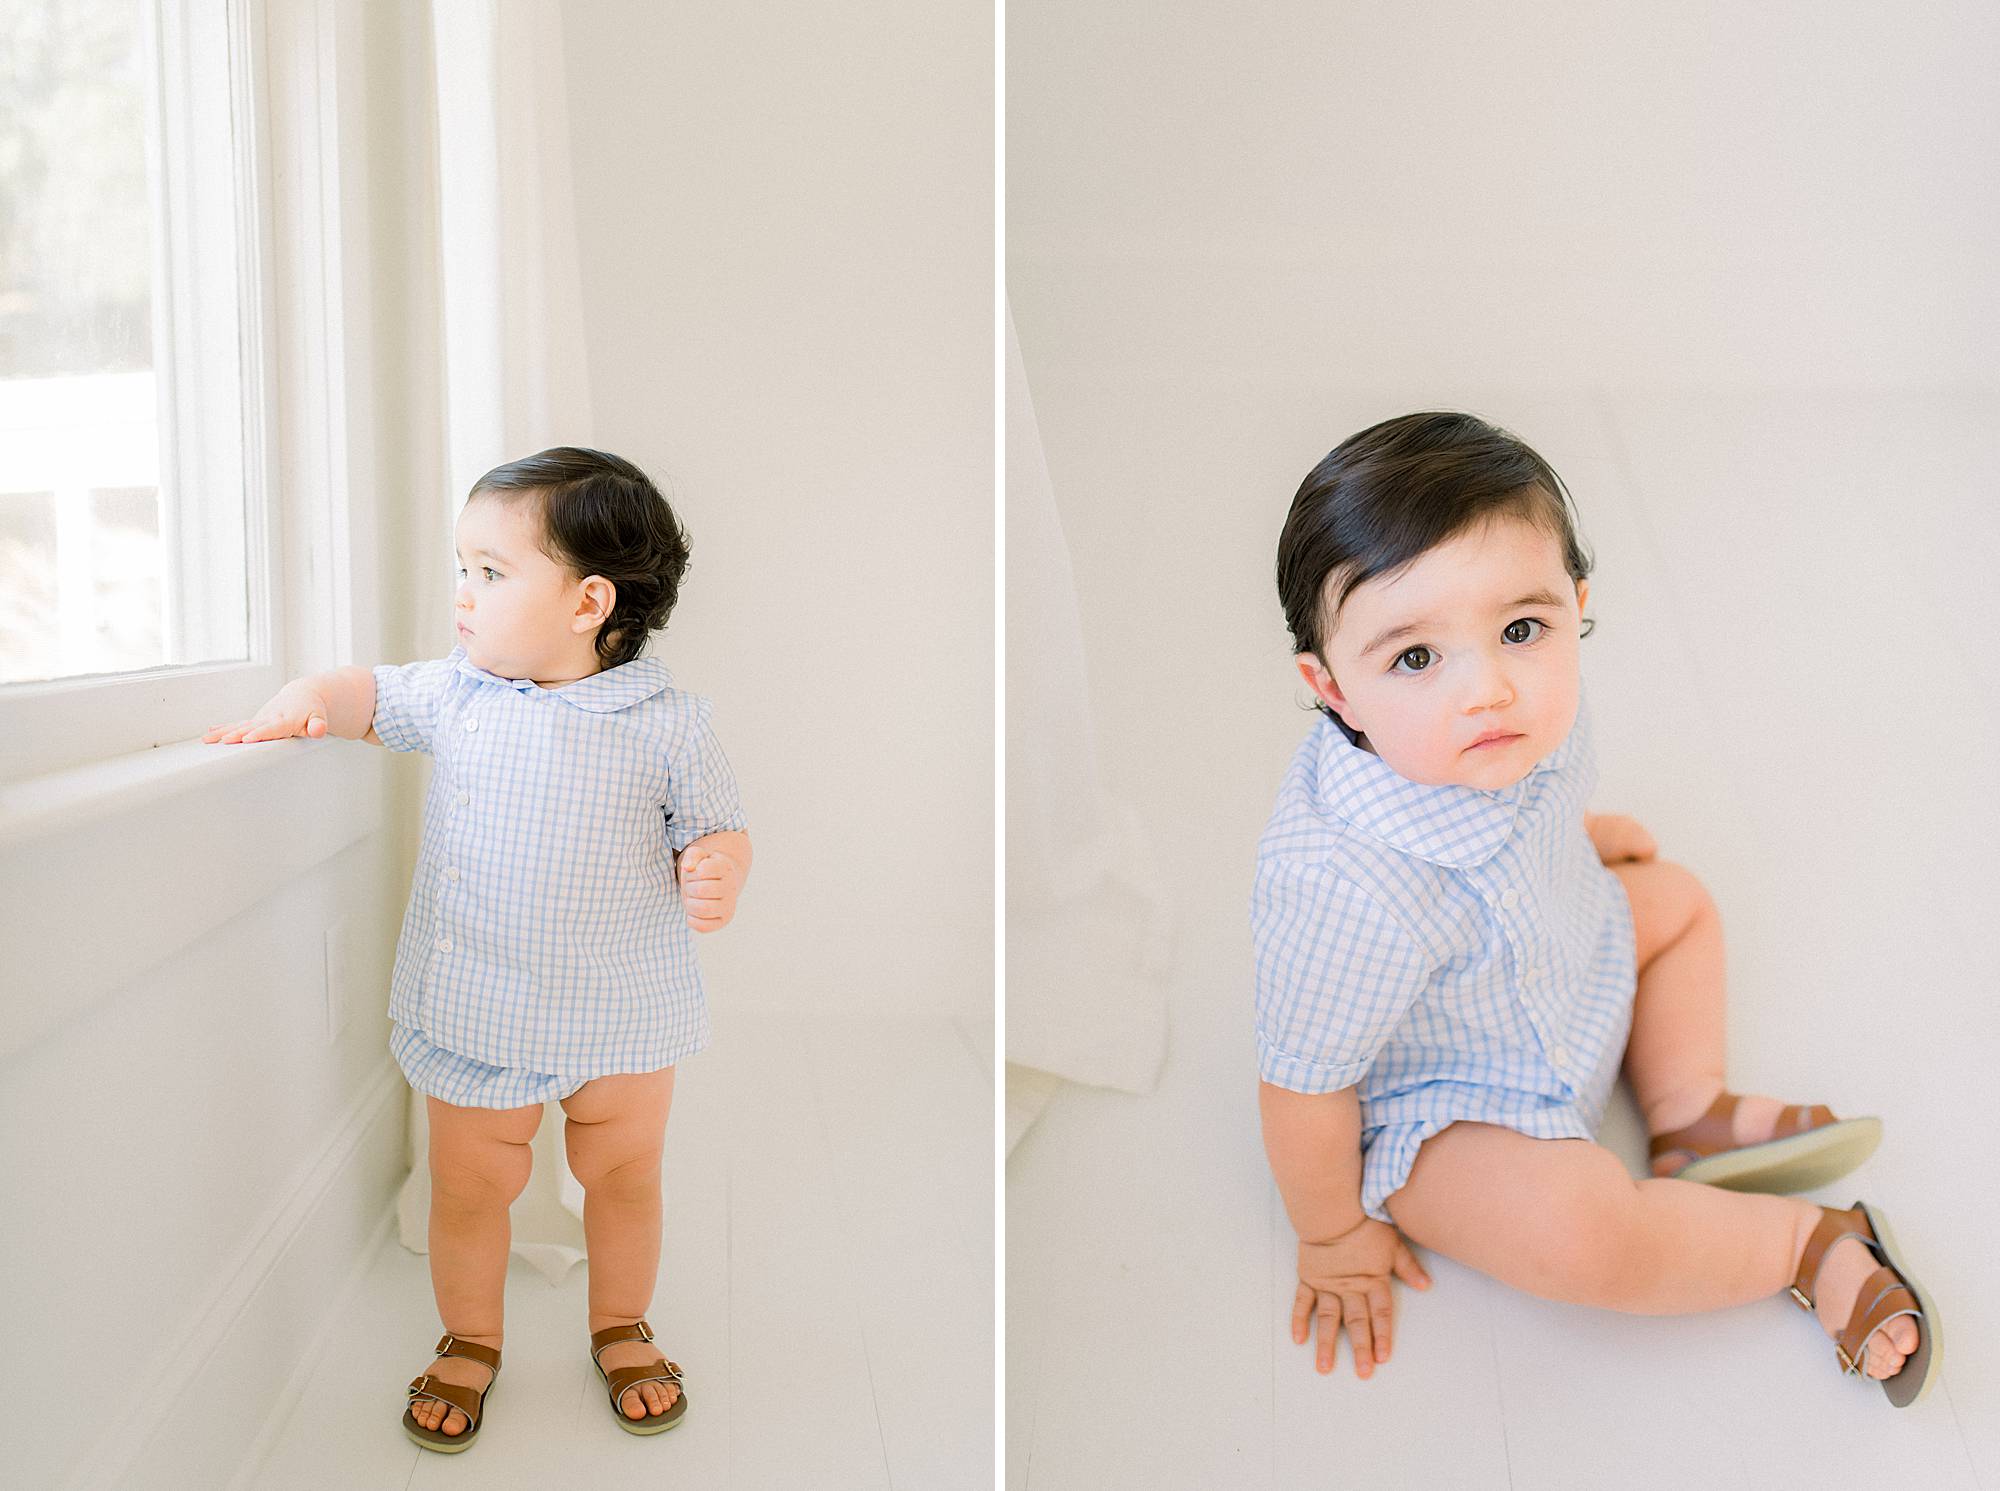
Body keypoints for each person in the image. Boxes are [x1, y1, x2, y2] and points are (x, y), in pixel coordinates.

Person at [1252, 411, 1939, 1407]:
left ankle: (1684, 1112)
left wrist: (1572, 841)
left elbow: (1537, 802)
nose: (1486, 688)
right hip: (1447, 1101)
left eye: (1518, 630)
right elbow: (1302, 1087)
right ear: (1331, 687)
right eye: (1413, 659)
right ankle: (1806, 1243)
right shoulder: (1339, 888)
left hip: (1561, 954)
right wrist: (1330, 1233)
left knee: (1678, 902)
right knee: (1581, 1234)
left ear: (1573, 607)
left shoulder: (1530, 717)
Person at [204, 446, 750, 1448]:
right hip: (477, 1004)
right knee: (468, 1186)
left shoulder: (667, 725)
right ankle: (469, 1337)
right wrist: (302, 700)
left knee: (624, 1173)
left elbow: (716, 824)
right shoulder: (456, 696)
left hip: (622, 1007)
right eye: (462, 568)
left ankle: (621, 1323)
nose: (461, 596)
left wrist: (718, 863)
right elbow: (364, 692)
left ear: (588, 602)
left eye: (489, 574)